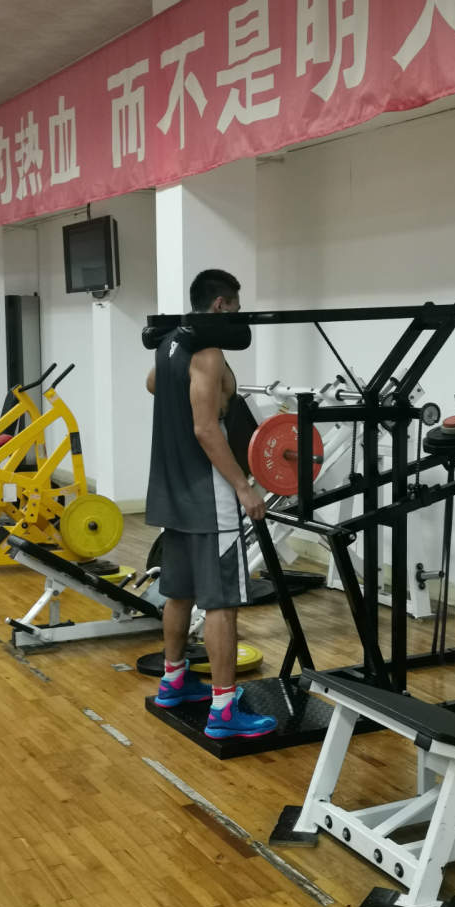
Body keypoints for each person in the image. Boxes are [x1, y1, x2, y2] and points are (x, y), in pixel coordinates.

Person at [145, 269, 277, 739]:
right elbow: (205, 429)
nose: (238, 316)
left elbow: (153, 384)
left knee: (178, 591)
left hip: (171, 487)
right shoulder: (208, 352)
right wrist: (243, 486)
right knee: (222, 601)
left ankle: (174, 681)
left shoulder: (170, 344)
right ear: (221, 305)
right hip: (208, 493)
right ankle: (223, 709)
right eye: (235, 308)